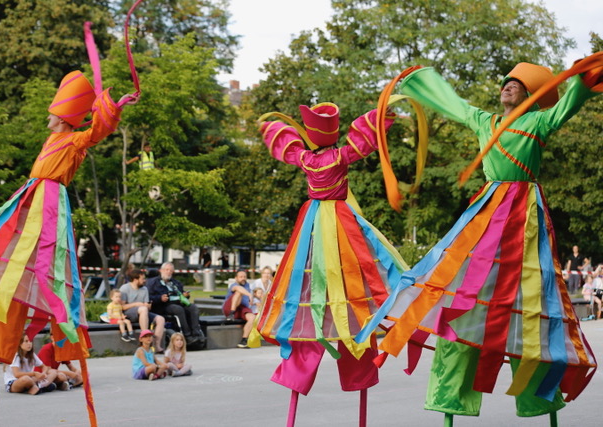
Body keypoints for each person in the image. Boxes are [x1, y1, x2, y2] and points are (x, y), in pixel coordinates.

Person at [361, 60, 601, 419]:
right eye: (506, 82)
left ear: (530, 96)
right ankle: (449, 399)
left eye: (517, 85)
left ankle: (538, 397)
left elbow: (568, 103)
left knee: (535, 300)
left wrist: (587, 78)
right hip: (486, 215)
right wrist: (418, 81)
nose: (507, 87)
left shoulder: (538, 121)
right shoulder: (482, 120)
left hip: (524, 216)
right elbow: (452, 102)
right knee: (460, 292)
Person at [257, 101, 409, 422]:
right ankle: (360, 372)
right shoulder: (340, 155)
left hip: (312, 227)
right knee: (359, 289)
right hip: (339, 224)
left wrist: (268, 127)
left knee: (308, 299)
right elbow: (363, 140)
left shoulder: (305, 157)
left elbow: (285, 144)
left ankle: (302, 381)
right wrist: (386, 115)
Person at [0, 70, 139, 343]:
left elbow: (96, 132)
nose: (48, 117)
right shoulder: (52, 139)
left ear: (61, 118)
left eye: (51, 113)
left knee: (45, 255)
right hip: (31, 193)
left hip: (49, 198)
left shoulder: (73, 140)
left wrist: (115, 106)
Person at [146, 262, 204, 345]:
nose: (169, 272)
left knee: (193, 307)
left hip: (178, 302)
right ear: (161, 270)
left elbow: (182, 294)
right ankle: (187, 335)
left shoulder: (176, 283)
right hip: (163, 305)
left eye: (171, 271)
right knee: (178, 309)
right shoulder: (153, 283)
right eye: (167, 270)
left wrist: (185, 295)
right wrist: (160, 298)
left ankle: (196, 333)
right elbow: (149, 297)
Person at [120, 269, 166, 352]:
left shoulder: (144, 289)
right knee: (143, 309)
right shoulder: (125, 288)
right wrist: (137, 304)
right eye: (142, 279)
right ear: (135, 280)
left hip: (143, 312)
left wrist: (148, 305)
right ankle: (145, 336)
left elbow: (146, 306)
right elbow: (122, 307)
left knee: (160, 319)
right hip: (129, 313)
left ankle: (157, 345)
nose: (145, 281)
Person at [223, 270, 255, 348]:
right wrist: (249, 295)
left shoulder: (248, 286)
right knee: (239, 292)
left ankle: (244, 340)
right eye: (241, 277)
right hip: (230, 307)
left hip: (242, 308)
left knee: (252, 317)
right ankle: (231, 314)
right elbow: (238, 288)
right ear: (236, 278)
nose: (243, 278)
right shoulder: (233, 285)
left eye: (244, 277)